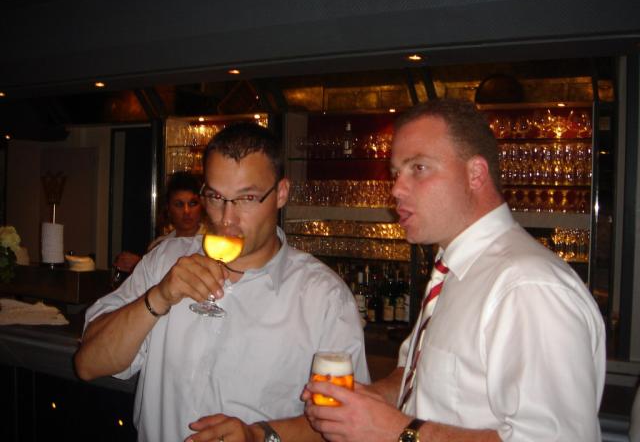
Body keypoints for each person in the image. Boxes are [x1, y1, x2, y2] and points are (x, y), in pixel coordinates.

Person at [304, 99, 606, 441]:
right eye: (396, 173)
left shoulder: (527, 287)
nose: (396, 189)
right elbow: (420, 377)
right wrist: (369, 400)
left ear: (475, 174)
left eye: (419, 168)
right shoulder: (454, 269)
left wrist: (393, 431)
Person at [74, 122, 369, 442]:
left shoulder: (323, 297)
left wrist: (260, 437)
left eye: (247, 198)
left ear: (281, 193)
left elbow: (347, 426)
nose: (227, 218)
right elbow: (88, 364)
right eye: (215, 197)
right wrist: (159, 297)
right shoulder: (165, 260)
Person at [113, 171, 205, 273]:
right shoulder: (158, 246)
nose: (186, 211)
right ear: (168, 209)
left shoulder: (211, 243)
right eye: (179, 204)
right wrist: (141, 267)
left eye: (193, 203)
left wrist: (140, 265)